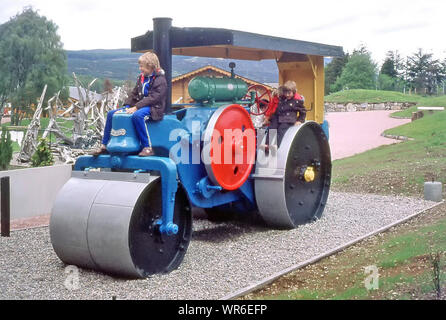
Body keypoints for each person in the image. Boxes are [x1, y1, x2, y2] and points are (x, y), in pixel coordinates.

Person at [90, 52, 167, 157]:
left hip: (154, 107)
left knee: (138, 115)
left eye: (142, 66)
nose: (140, 68)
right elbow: (134, 94)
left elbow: (154, 98)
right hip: (140, 105)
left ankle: (147, 147)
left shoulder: (160, 80)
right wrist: (126, 106)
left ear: (151, 66)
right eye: (140, 66)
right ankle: (105, 145)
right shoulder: (141, 78)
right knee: (112, 114)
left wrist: (136, 107)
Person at [263, 80, 306, 147]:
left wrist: (299, 120)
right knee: (272, 127)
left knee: (281, 129)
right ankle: (267, 144)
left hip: (288, 119)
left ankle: (276, 145)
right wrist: (269, 116)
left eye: (289, 93)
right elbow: (275, 104)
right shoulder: (282, 98)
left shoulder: (297, 101)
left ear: (293, 92)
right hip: (278, 116)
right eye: (285, 93)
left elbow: (303, 111)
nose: (287, 95)